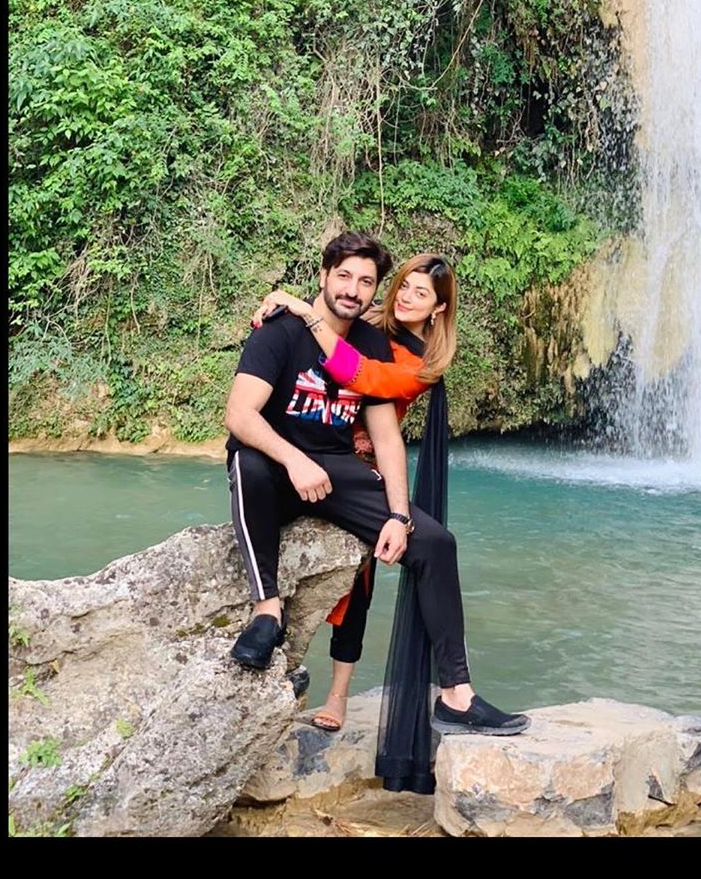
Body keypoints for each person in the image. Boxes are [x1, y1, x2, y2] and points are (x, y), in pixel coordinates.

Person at [225, 230, 528, 749]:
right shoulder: (279, 332)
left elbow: (386, 436)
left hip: (342, 464)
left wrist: (399, 517)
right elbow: (238, 415)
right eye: (344, 276)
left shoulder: (387, 354)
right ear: (324, 276)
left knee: (436, 543)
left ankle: (456, 694)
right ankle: (266, 610)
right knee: (248, 462)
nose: (355, 288)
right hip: (281, 460)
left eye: (366, 280)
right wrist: (295, 459)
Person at [251, 253, 457, 733]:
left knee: (359, 584)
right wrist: (284, 309)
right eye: (403, 286)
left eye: (420, 293)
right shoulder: (367, 324)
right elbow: (322, 328)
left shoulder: (422, 366)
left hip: (364, 466)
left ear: (438, 310)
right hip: (319, 449)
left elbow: (361, 377)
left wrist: (303, 312)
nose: (405, 297)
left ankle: (338, 695)